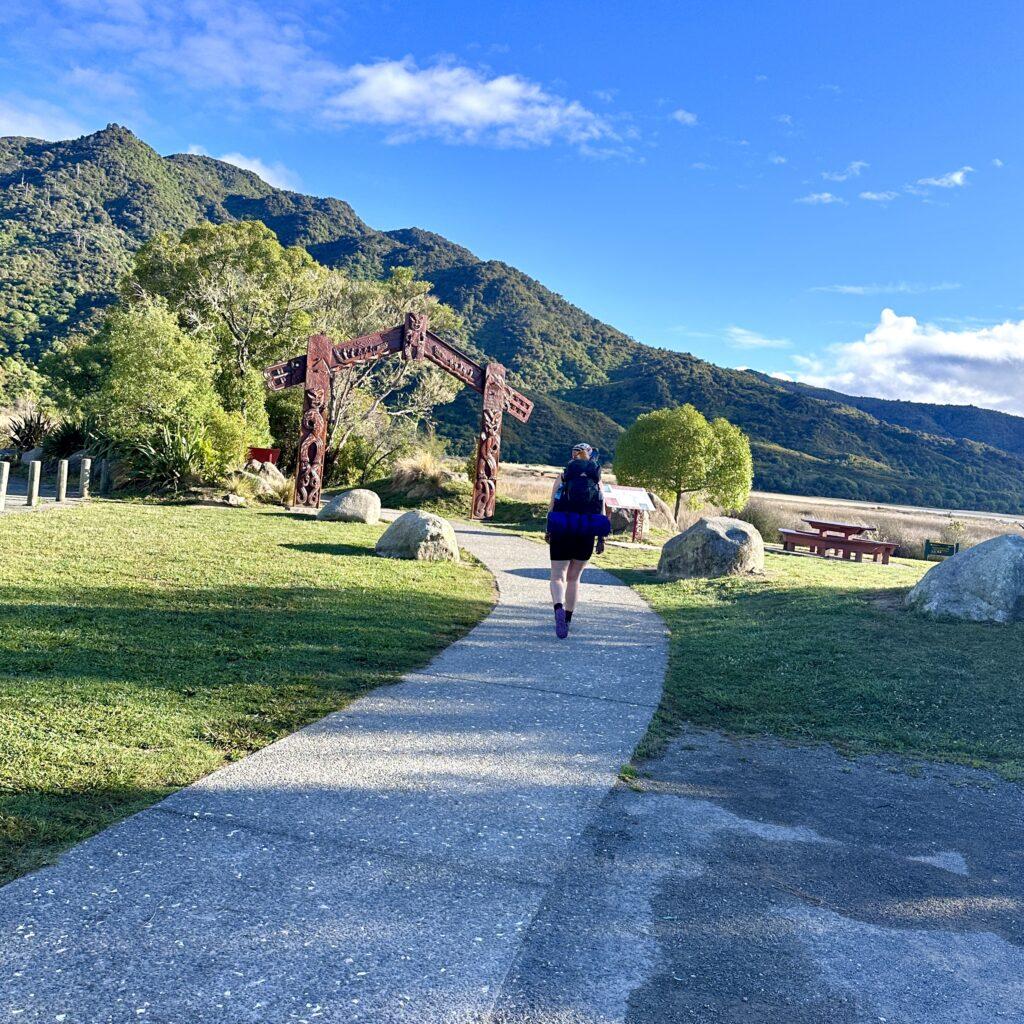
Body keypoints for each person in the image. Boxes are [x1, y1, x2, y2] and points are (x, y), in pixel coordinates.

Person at [545, 442, 607, 639]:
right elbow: (601, 508)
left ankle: (558, 609)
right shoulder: (597, 479)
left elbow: (553, 504)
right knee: (574, 578)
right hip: (587, 530)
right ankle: (569, 619)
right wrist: (601, 539)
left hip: (562, 527)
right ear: (590, 456)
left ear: (572, 457)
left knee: (557, 576)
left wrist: (549, 529)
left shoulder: (564, 476)